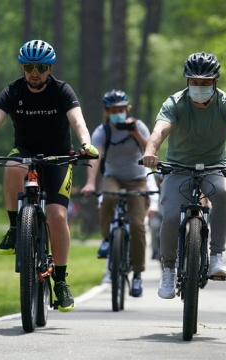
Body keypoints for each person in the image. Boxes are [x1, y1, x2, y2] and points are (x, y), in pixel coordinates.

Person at [0, 40, 99, 312]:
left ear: (49, 69)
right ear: (23, 68)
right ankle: (16, 228)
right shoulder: (13, 91)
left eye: (40, 67)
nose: (34, 73)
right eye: (28, 67)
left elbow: (78, 122)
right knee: (12, 166)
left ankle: (60, 281)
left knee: (58, 216)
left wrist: (85, 144)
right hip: (26, 152)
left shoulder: (62, 91)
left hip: (59, 156)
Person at [141, 51, 226, 299]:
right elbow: (160, 130)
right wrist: (151, 152)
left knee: (223, 193)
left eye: (205, 83)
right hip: (178, 167)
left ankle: (216, 256)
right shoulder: (175, 102)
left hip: (215, 166)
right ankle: (169, 270)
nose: (199, 87)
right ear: (187, 81)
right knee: (169, 216)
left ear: (215, 82)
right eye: (194, 82)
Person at [81, 89, 151, 297]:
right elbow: (96, 157)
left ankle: (137, 274)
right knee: (108, 197)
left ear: (127, 109)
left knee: (138, 225)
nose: (118, 113)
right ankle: (107, 238)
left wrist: (134, 133)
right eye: (114, 110)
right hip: (113, 177)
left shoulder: (138, 126)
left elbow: (150, 151)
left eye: (121, 109)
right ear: (107, 112)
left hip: (137, 180)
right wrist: (91, 183)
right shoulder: (102, 132)